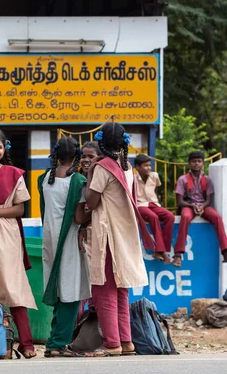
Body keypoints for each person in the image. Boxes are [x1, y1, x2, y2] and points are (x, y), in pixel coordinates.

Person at [84, 122, 154, 357]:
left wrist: (89, 173)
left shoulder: (103, 168)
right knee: (121, 290)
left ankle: (112, 343)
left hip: (107, 234)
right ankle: (126, 342)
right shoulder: (128, 168)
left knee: (104, 289)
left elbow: (91, 202)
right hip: (125, 235)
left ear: (102, 143)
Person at [0, 129, 38, 359]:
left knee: (12, 286)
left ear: (5, 149)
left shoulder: (14, 173)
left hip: (6, 233)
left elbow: (20, 209)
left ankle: (26, 342)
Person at [38, 136, 90, 358]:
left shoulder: (43, 179)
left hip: (49, 238)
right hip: (67, 239)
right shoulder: (77, 181)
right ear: (77, 156)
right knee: (71, 291)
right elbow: (78, 218)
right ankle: (59, 343)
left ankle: (53, 341)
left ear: (55, 155)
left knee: (58, 290)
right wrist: (95, 210)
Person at [173, 151, 227, 268]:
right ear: (189, 163)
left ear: (203, 163)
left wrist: (202, 207)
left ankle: (226, 252)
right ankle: (178, 254)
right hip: (188, 206)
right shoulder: (183, 179)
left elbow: (208, 199)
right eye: (193, 161)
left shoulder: (207, 180)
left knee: (217, 218)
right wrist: (193, 206)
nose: (196, 164)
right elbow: (180, 201)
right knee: (186, 217)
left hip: (203, 206)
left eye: (199, 161)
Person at [75, 141, 102, 323]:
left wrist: (84, 224)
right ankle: (74, 333)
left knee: (96, 286)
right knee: (79, 287)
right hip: (78, 239)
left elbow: (97, 207)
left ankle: (95, 333)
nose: (86, 160)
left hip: (97, 237)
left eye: (90, 157)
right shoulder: (77, 180)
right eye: (83, 156)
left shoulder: (100, 180)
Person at [134, 154, 175, 264]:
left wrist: (155, 202)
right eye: (145, 165)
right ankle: (160, 250)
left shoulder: (154, 176)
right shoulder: (133, 178)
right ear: (138, 167)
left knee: (170, 216)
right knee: (153, 217)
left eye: (149, 165)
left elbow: (155, 189)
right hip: (140, 204)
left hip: (153, 203)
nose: (148, 168)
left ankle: (163, 250)